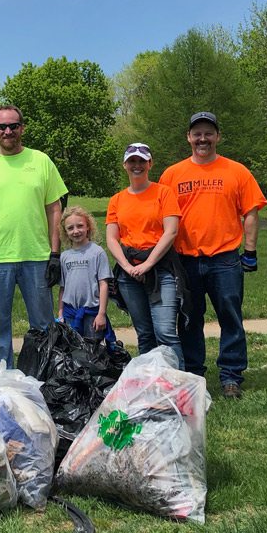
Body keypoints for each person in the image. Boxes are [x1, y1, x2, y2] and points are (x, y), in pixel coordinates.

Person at [159, 111, 267, 398]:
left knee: (230, 317)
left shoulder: (237, 171)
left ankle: (231, 375)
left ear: (218, 136)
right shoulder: (172, 174)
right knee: (189, 319)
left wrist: (251, 251)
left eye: (208, 133)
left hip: (225, 259)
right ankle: (195, 373)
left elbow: (251, 212)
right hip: (186, 260)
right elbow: (163, 216)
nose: (202, 138)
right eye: (197, 133)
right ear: (188, 137)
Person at [0, 105, 68, 367]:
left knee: (43, 327)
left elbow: (55, 209)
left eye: (13, 125)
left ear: (22, 128)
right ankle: (2, 388)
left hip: (37, 256)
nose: (8, 131)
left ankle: (43, 383)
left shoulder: (41, 161)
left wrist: (55, 254)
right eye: (2, 126)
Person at [106, 143, 184, 367]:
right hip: (129, 272)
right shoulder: (117, 200)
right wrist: (127, 266)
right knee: (145, 333)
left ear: (150, 164)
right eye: (132, 161)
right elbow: (112, 238)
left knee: (165, 331)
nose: (137, 165)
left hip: (161, 269)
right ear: (125, 165)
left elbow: (171, 231)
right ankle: (151, 384)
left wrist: (149, 263)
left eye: (142, 161)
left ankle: (178, 383)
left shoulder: (163, 192)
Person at [57, 206, 112, 340]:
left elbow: (103, 284)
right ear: (65, 231)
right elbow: (63, 288)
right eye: (70, 228)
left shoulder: (97, 252)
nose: (76, 231)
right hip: (70, 313)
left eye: (80, 226)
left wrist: (101, 314)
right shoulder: (64, 256)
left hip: (92, 313)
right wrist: (60, 313)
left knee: (93, 351)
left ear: (88, 226)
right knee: (72, 351)